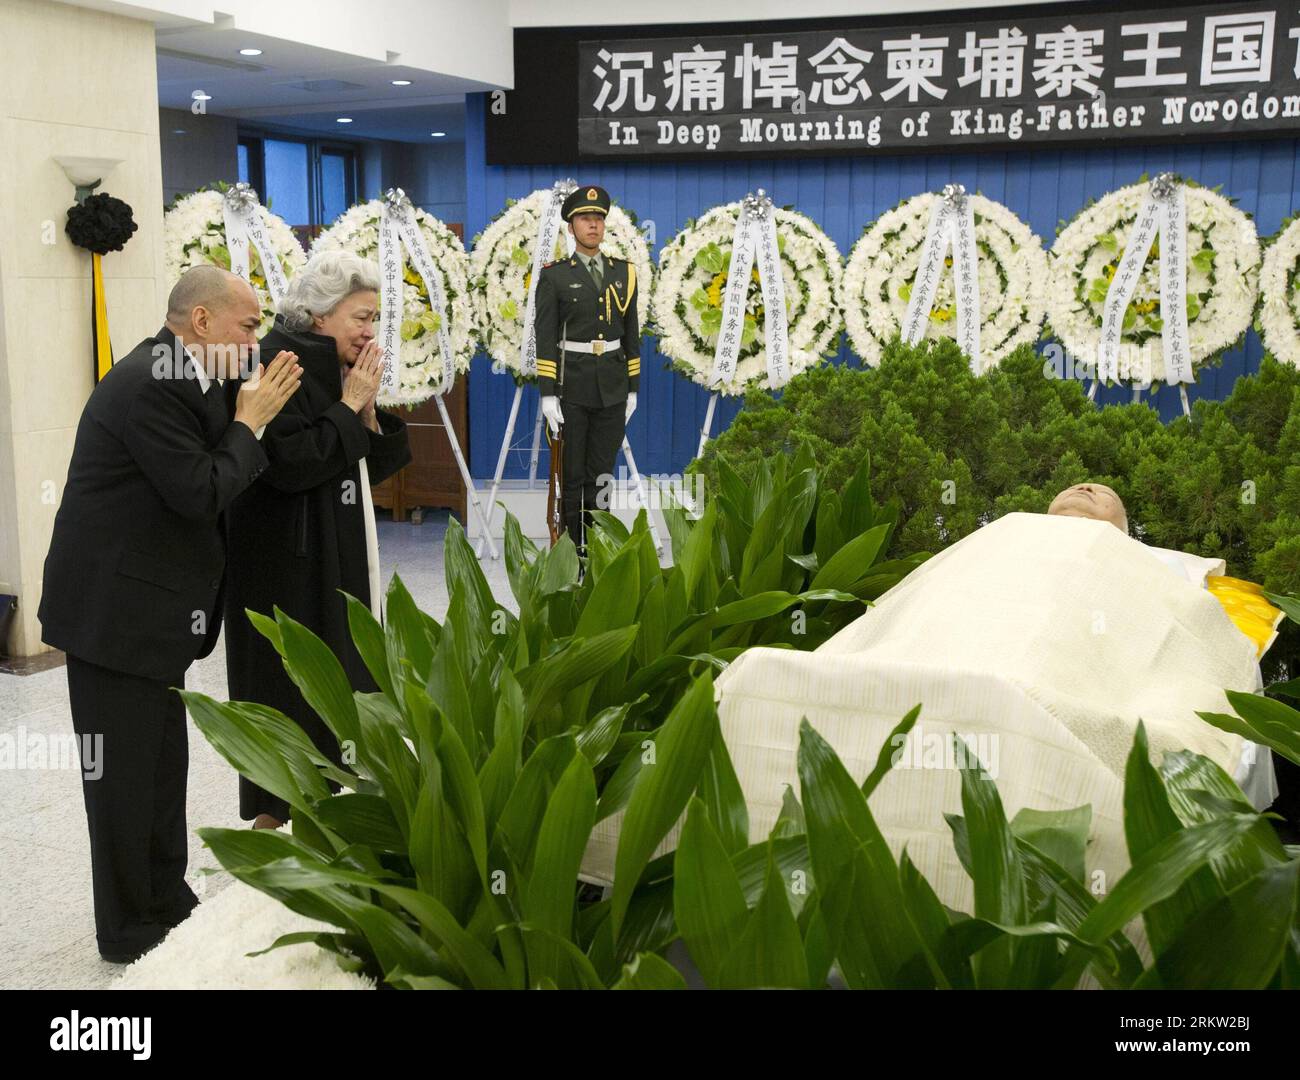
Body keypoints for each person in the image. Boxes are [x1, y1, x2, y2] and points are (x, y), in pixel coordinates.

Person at [38, 266, 302, 963]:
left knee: (159, 768)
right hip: (111, 611)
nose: (255, 342)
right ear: (202, 323)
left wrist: (248, 419)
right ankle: (127, 928)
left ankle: (165, 900)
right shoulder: (152, 382)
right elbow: (199, 489)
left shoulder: (190, 374)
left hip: (148, 613)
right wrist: (251, 421)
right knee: (121, 778)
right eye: (247, 326)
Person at [222, 249, 411, 830]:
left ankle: (340, 810)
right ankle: (275, 819)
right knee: (291, 683)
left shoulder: (333, 365)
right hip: (287, 564)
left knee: (343, 674)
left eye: (375, 318)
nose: (370, 330)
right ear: (321, 315)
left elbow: (364, 468)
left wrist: (367, 412)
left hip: (337, 548)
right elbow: (293, 465)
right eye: (361, 317)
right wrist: (351, 408)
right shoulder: (279, 364)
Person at [534, 184, 640, 556]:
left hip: (611, 387)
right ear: (571, 227)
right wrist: (548, 394)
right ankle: (571, 550)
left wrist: (633, 387)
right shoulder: (555, 276)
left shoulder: (624, 273)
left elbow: (631, 332)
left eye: (597, 218)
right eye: (584, 219)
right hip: (571, 389)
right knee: (573, 475)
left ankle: (599, 547)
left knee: (603, 474)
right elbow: (544, 338)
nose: (592, 225)